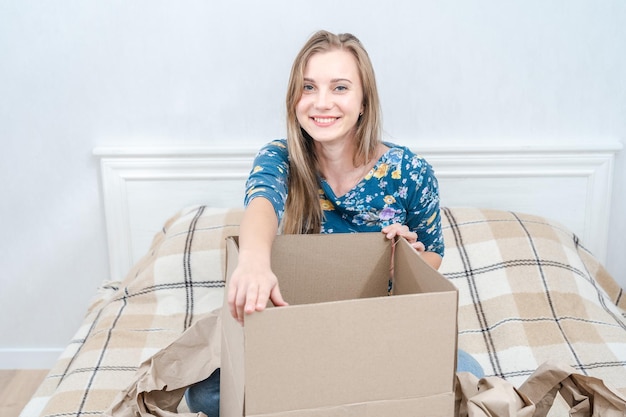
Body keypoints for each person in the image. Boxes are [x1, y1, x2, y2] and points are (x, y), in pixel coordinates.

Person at [185, 30, 483, 416]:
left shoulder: (410, 172)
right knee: (205, 393)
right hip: (300, 330)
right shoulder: (281, 159)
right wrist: (253, 263)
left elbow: (433, 256)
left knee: (468, 376)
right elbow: (261, 204)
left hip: (380, 333)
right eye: (308, 87)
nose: (321, 103)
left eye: (339, 87)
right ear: (295, 98)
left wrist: (404, 259)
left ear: (363, 101)